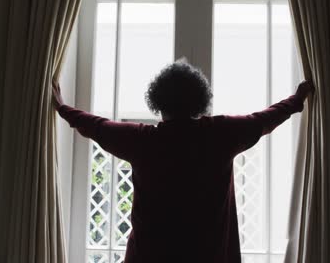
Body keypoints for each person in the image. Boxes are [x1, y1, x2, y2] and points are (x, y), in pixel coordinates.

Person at [53, 60, 314, 263]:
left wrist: (63, 107)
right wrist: (296, 100)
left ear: (158, 102)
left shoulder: (143, 140)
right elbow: (264, 119)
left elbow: (96, 126)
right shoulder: (221, 134)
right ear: (199, 101)